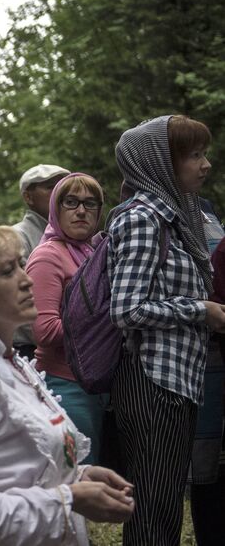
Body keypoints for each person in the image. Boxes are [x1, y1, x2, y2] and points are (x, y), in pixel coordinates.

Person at [0, 225, 135, 546]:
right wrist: (69, 498)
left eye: (20, 264)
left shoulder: (12, 366)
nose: (27, 279)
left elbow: (22, 467)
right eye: (7, 271)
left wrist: (80, 476)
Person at [109, 115, 225, 545]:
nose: (205, 164)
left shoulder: (176, 216)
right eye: (193, 155)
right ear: (161, 163)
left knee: (166, 503)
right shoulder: (143, 219)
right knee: (154, 511)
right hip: (153, 380)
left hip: (175, 380)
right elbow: (127, 308)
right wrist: (203, 311)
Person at [26, 173, 106, 465]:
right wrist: (105, 330)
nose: (81, 211)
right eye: (71, 202)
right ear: (55, 209)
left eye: (90, 203)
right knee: (72, 487)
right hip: (64, 388)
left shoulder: (96, 253)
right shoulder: (49, 255)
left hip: (95, 388)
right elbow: (44, 331)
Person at [189, 197, 225, 545]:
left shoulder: (208, 210)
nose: (205, 165)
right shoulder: (150, 213)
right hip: (203, 363)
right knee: (208, 475)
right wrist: (202, 310)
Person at [12, 163, 70, 359]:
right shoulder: (17, 237)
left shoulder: (71, 238)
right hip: (31, 352)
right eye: (50, 187)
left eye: (62, 187)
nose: (58, 193)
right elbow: (23, 303)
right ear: (28, 197)